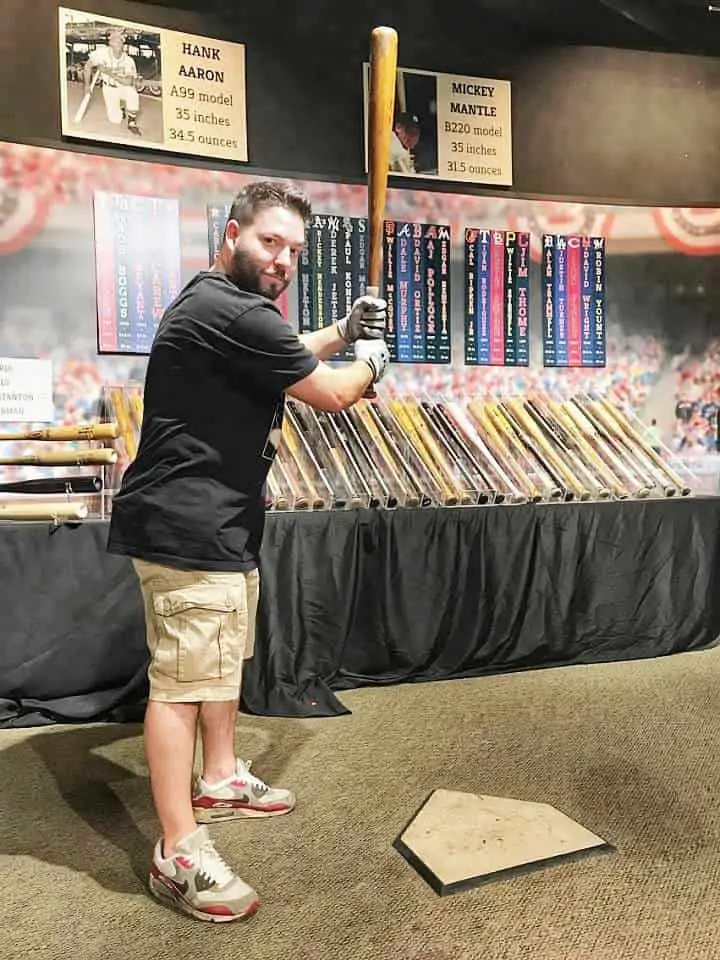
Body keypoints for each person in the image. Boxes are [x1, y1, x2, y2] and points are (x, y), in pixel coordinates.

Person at [106, 179, 389, 923]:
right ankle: (177, 850)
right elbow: (328, 391)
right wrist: (375, 358)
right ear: (231, 236)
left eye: (295, 249)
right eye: (270, 242)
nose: (283, 259)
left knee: (219, 658)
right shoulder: (228, 307)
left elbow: (285, 353)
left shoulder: (224, 310)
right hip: (187, 526)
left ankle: (221, 774)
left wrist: (340, 326)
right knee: (180, 683)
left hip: (219, 522)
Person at [84, 27, 142, 135]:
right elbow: (87, 66)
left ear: (123, 43)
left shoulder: (128, 60)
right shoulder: (102, 53)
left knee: (133, 94)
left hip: (123, 87)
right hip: (108, 88)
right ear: (110, 42)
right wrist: (87, 86)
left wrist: (107, 71)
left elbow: (128, 82)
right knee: (115, 120)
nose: (117, 42)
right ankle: (120, 108)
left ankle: (131, 122)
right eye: (114, 39)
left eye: (120, 40)